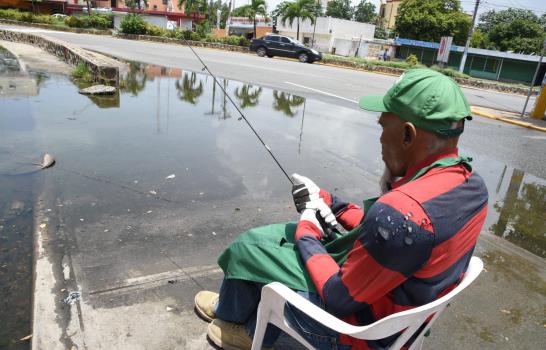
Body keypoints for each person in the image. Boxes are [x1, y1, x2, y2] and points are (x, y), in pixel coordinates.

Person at [194, 69, 489, 350]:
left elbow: (338, 297)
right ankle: (232, 308)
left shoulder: (401, 213)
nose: (381, 138)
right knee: (272, 243)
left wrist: (307, 231)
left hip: (356, 333)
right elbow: (393, 238)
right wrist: (331, 203)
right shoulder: (471, 187)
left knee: (251, 246)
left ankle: (241, 328)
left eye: (384, 125)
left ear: (408, 135)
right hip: (402, 311)